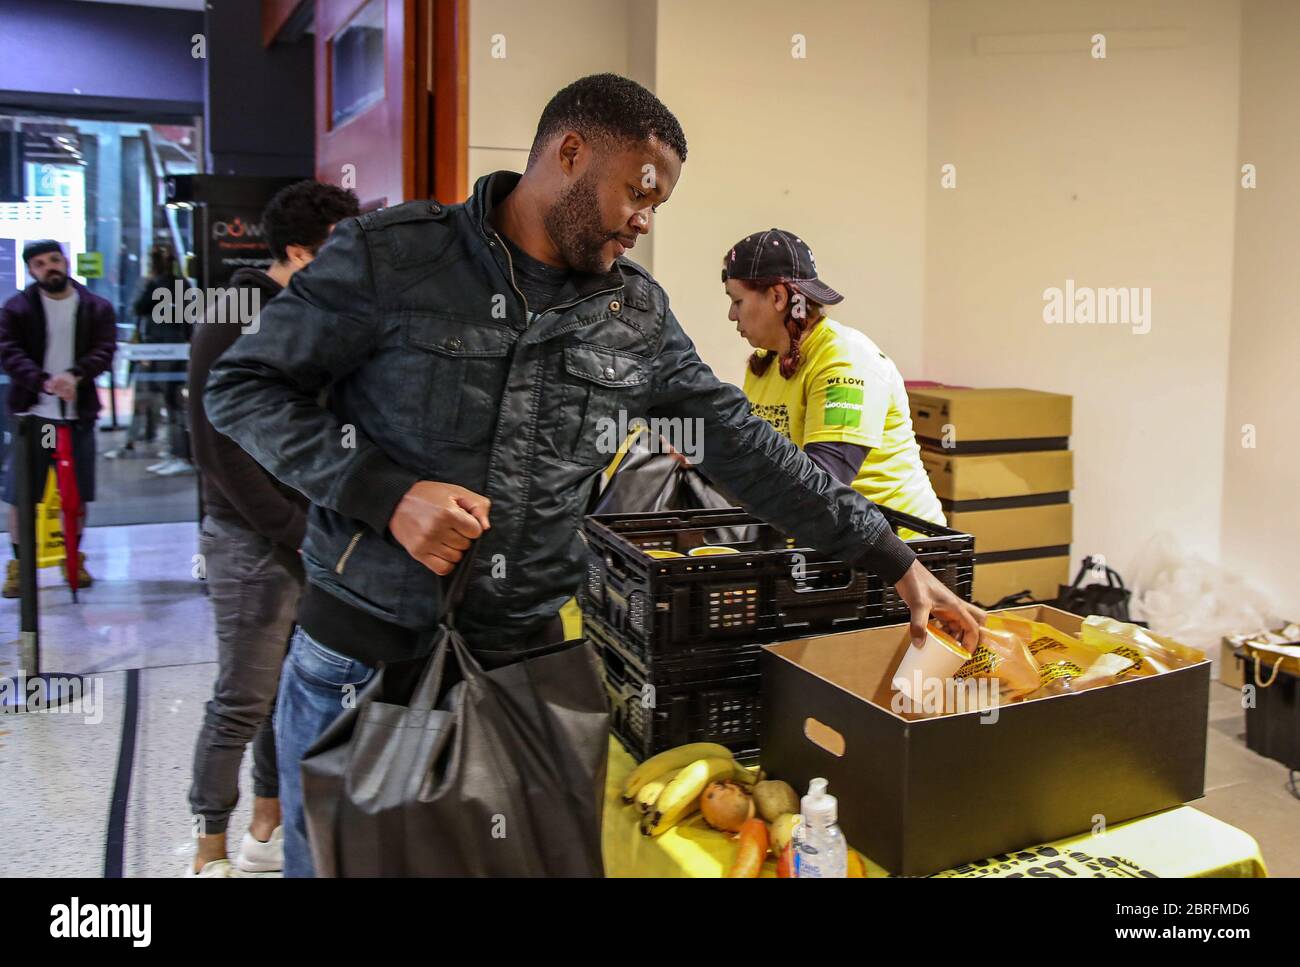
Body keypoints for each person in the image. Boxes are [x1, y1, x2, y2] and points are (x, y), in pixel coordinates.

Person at [205, 73, 984, 877]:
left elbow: (752, 451)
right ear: (569, 153)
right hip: (365, 656)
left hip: (525, 662)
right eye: (638, 193)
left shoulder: (635, 317)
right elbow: (242, 389)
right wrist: (386, 493)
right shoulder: (393, 256)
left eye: (659, 206)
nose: (644, 222)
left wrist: (893, 558)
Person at [185, 181, 360, 877]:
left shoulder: (316, 309)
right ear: (296, 250)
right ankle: (208, 846)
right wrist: (294, 527)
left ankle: (268, 818)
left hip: (305, 533)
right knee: (242, 695)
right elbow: (217, 447)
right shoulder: (233, 315)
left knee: (290, 687)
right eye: (339, 248)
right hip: (249, 539)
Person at [723, 229, 944, 534]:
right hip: (832, 543)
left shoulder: (846, 361)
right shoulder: (765, 363)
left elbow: (822, 486)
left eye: (737, 301)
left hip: (902, 549)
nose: (732, 315)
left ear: (777, 297)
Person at [0, 240, 116, 597]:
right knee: (24, 493)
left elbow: (105, 350)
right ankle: (20, 564)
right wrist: (43, 381)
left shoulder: (95, 307)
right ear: (31, 270)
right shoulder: (17, 309)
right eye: (39, 263)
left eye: (53, 260)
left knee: (76, 493)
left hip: (75, 418)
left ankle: (73, 556)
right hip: (37, 419)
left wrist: (75, 376)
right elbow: (8, 352)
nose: (49, 267)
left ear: (65, 262)